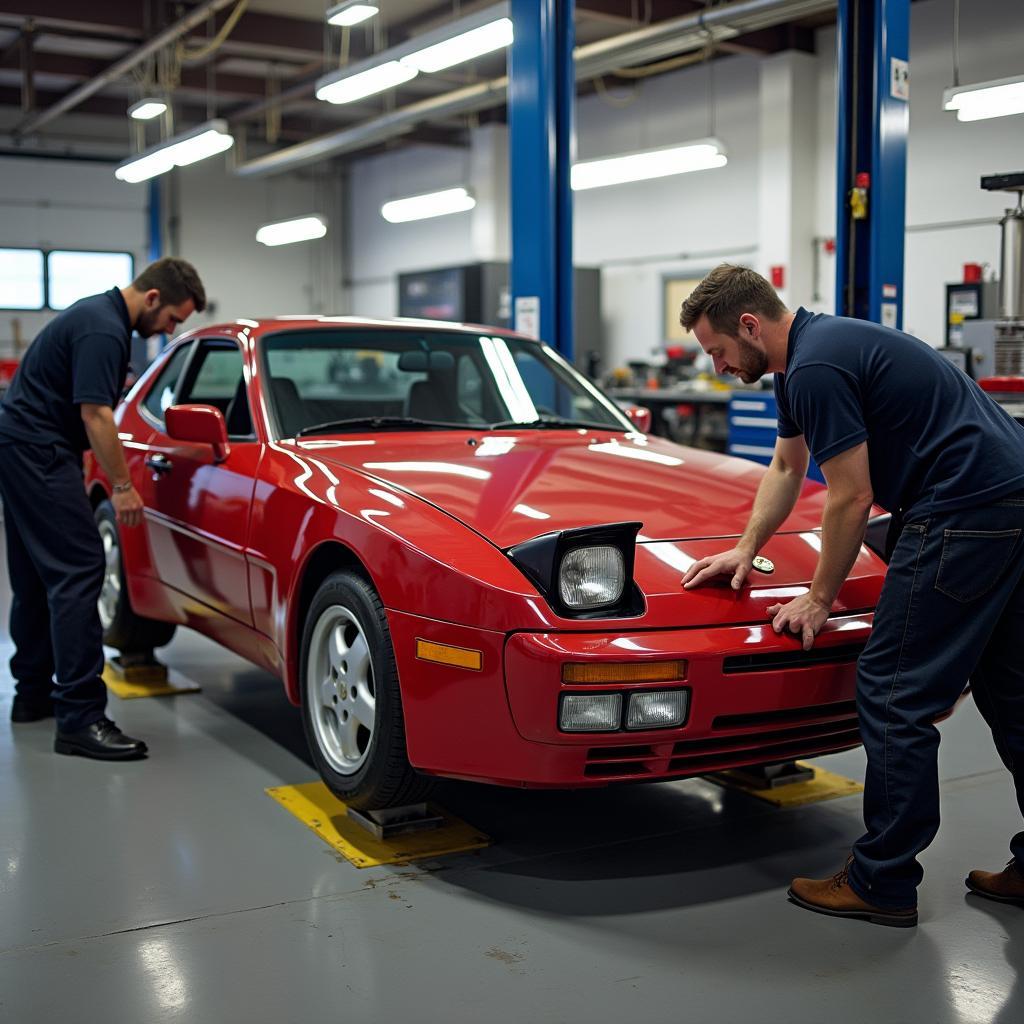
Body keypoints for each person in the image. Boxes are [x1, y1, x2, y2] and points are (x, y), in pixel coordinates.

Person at [679, 264, 1024, 927]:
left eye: (718, 350)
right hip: (1009, 499)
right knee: (1013, 693)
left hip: (961, 510)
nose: (719, 367)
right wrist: (746, 550)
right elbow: (786, 465)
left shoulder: (815, 368)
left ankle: (881, 880)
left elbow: (852, 493)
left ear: (749, 325)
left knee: (895, 692)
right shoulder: (811, 355)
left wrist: (817, 595)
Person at [0, 257, 205, 760]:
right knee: (79, 569)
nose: (170, 330)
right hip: (40, 451)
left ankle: (32, 696)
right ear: (152, 298)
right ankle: (80, 717)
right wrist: (123, 486)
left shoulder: (97, 318)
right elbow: (95, 414)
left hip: (20, 445)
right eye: (173, 319)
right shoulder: (103, 329)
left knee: (35, 574)